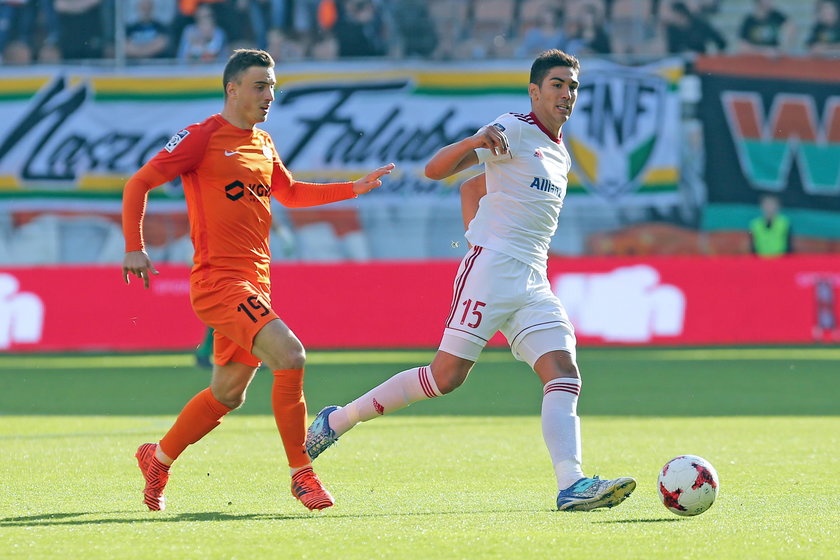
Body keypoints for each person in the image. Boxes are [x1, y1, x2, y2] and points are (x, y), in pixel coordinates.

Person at [306, 49, 636, 512]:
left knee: (563, 375)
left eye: (573, 86)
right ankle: (338, 420)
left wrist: (476, 234)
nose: (567, 94)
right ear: (535, 91)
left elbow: (473, 189)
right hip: (492, 271)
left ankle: (572, 484)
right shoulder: (514, 129)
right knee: (446, 378)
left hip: (532, 277)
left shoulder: (559, 153)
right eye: (557, 85)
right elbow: (437, 171)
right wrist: (476, 144)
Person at [121, 48, 395, 512]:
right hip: (218, 283)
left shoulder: (263, 143)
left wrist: (352, 187)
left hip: (256, 283)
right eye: (260, 86)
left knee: (228, 393)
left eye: (272, 86)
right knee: (291, 355)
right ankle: (302, 474)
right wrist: (134, 245)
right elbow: (137, 184)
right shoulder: (200, 137)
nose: (270, 95)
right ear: (232, 89)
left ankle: (158, 458)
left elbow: (288, 192)